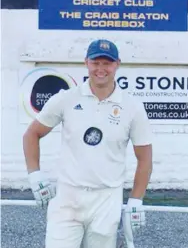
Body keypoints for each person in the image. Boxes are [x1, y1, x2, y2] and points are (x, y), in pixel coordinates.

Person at [23, 39, 153, 248]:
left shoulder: (132, 107)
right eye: (96, 63)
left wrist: (135, 202)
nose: (101, 69)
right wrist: (35, 174)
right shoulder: (67, 98)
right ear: (86, 63)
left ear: (117, 64)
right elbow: (32, 134)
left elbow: (145, 158)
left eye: (107, 63)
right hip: (68, 197)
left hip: (106, 198)